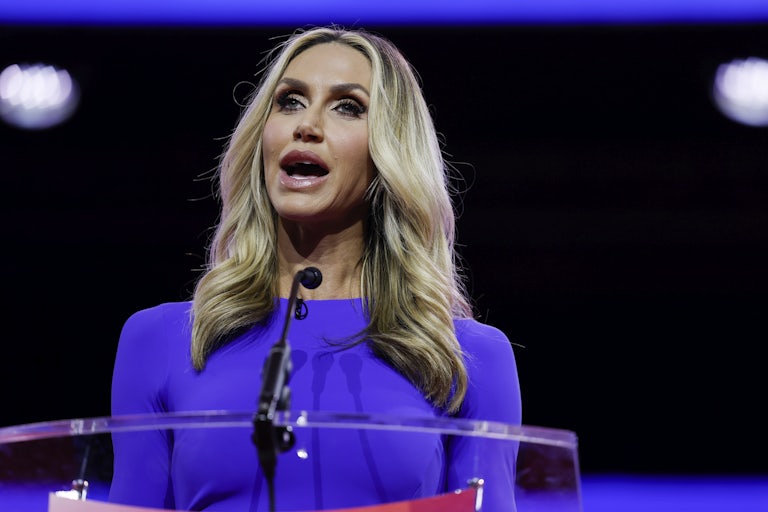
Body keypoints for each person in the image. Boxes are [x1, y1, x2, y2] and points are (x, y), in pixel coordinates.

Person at [108, 25, 522, 512]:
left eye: (347, 107)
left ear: (389, 150)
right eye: (289, 101)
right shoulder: (162, 339)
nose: (307, 125)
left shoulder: (466, 356)